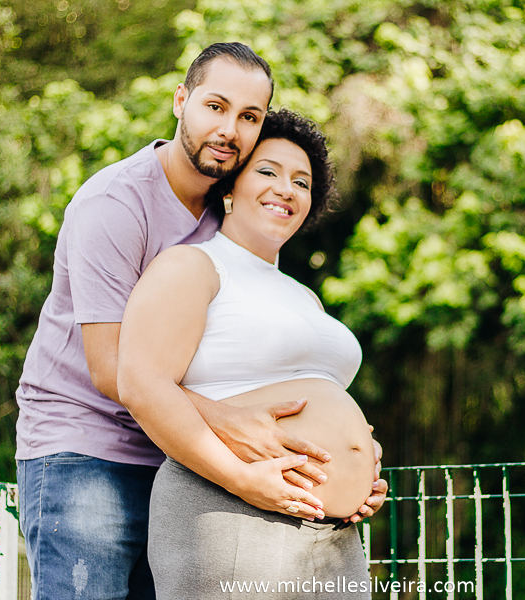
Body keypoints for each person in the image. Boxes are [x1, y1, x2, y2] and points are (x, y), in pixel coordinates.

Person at [14, 42, 386, 599]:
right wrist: (232, 424)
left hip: (177, 453)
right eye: (216, 106)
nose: (230, 128)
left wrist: (337, 447)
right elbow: (115, 371)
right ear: (180, 100)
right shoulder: (115, 204)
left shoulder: (230, 212)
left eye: (249, 117)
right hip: (88, 450)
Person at [117, 108, 378, 599]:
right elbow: (140, 384)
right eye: (268, 172)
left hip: (330, 532)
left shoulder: (305, 298)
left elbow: (318, 401)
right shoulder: (192, 266)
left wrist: (360, 463)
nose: (287, 189)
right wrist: (244, 481)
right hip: (230, 510)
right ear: (230, 188)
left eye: (302, 182)